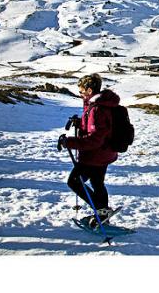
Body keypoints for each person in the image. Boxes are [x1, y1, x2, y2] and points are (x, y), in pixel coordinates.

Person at [58, 73, 120, 227]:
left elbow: (95, 139)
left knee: (74, 181)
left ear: (89, 90)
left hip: (95, 155)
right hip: (105, 153)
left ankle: (101, 211)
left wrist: (70, 142)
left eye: (81, 91)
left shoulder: (97, 108)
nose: (80, 95)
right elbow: (98, 127)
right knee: (98, 183)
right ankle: (103, 214)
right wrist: (79, 122)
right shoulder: (98, 104)